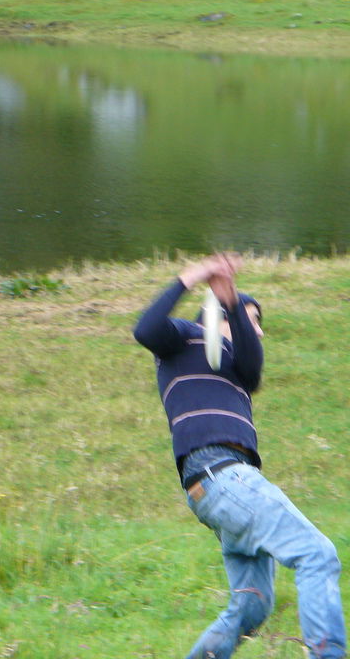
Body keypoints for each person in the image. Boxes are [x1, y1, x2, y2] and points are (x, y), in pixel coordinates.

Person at [133, 253, 346, 659]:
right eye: (251, 322)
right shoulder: (182, 340)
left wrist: (231, 300)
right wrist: (192, 278)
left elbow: (253, 365)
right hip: (219, 475)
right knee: (317, 554)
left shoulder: (239, 370)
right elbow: (145, 328)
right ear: (214, 322)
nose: (259, 332)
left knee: (251, 605)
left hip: (220, 485)